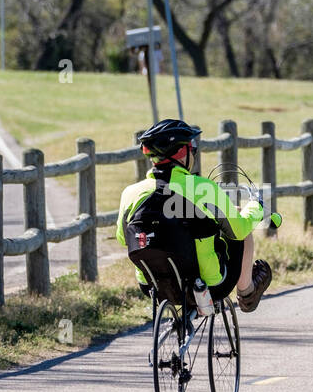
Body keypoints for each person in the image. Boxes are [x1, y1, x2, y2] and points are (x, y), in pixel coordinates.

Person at [116, 119, 277, 314]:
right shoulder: (202, 188)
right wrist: (256, 207)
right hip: (207, 284)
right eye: (192, 147)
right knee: (239, 232)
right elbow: (239, 229)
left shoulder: (130, 193)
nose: (193, 152)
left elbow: (123, 237)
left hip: (152, 285)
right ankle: (247, 293)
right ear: (182, 152)